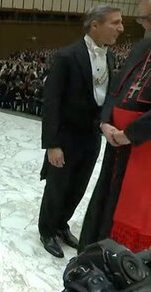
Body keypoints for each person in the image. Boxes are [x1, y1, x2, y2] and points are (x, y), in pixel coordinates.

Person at [38, 5, 123, 258]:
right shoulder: (67, 56)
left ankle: (62, 224)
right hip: (65, 137)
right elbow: (51, 102)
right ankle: (47, 230)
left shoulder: (109, 56)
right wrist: (52, 144)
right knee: (57, 186)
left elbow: (104, 97)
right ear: (94, 25)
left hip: (91, 136)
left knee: (78, 186)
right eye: (115, 23)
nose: (121, 28)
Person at [79, 0, 151, 254]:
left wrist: (130, 134)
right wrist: (105, 122)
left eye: (146, 20)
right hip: (116, 140)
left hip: (142, 146)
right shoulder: (142, 47)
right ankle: (96, 248)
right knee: (107, 195)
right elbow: (116, 89)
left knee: (131, 204)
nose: (143, 26)